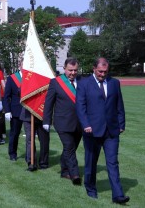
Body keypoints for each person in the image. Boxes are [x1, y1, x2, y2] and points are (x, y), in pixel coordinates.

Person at [76, 57, 129, 204]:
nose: (102, 74)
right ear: (94, 68)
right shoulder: (84, 84)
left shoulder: (114, 83)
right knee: (91, 161)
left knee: (112, 162)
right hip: (91, 131)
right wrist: (86, 124)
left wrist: (121, 124)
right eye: (100, 71)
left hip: (112, 131)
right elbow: (80, 107)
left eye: (105, 71)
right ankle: (91, 188)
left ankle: (118, 195)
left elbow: (119, 105)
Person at [43, 57, 82, 185]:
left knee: (71, 148)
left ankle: (64, 170)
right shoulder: (55, 82)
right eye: (70, 70)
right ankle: (75, 174)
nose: (73, 73)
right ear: (64, 69)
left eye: (75, 70)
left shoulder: (82, 81)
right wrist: (46, 121)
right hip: (62, 123)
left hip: (79, 123)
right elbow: (49, 103)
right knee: (69, 147)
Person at [3, 57, 23, 161]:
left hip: (29, 110)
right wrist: (7, 110)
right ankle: (12, 153)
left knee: (30, 136)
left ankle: (29, 156)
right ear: (20, 65)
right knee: (15, 133)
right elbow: (6, 96)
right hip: (16, 110)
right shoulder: (12, 78)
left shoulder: (31, 78)